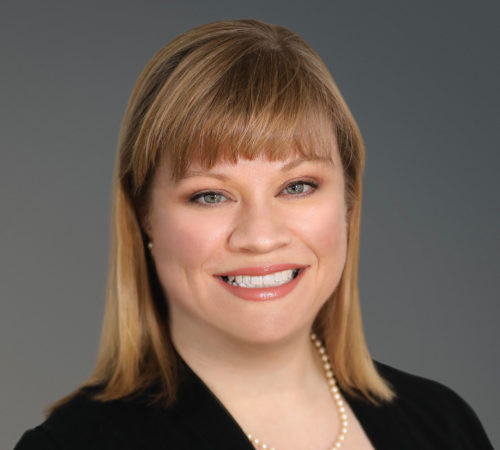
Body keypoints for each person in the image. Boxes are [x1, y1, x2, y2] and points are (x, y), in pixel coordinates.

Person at [14, 19, 493, 450]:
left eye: (297, 186)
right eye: (210, 195)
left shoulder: (442, 425)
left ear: (348, 202)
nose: (261, 237)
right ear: (145, 216)